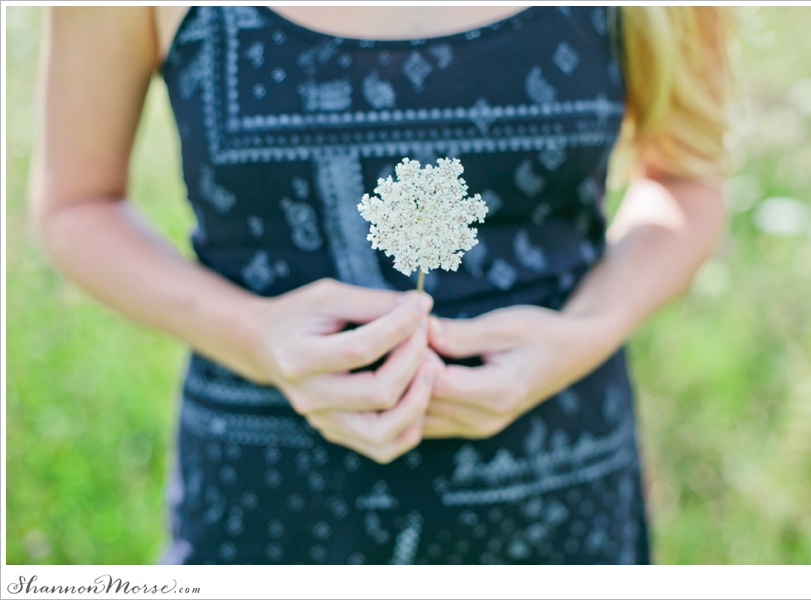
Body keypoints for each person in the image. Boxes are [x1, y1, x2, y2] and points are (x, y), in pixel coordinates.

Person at [32, 6, 730, 564]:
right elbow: (77, 204)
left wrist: (587, 332)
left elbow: (684, 179)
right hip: (265, 513)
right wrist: (250, 335)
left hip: (559, 503)